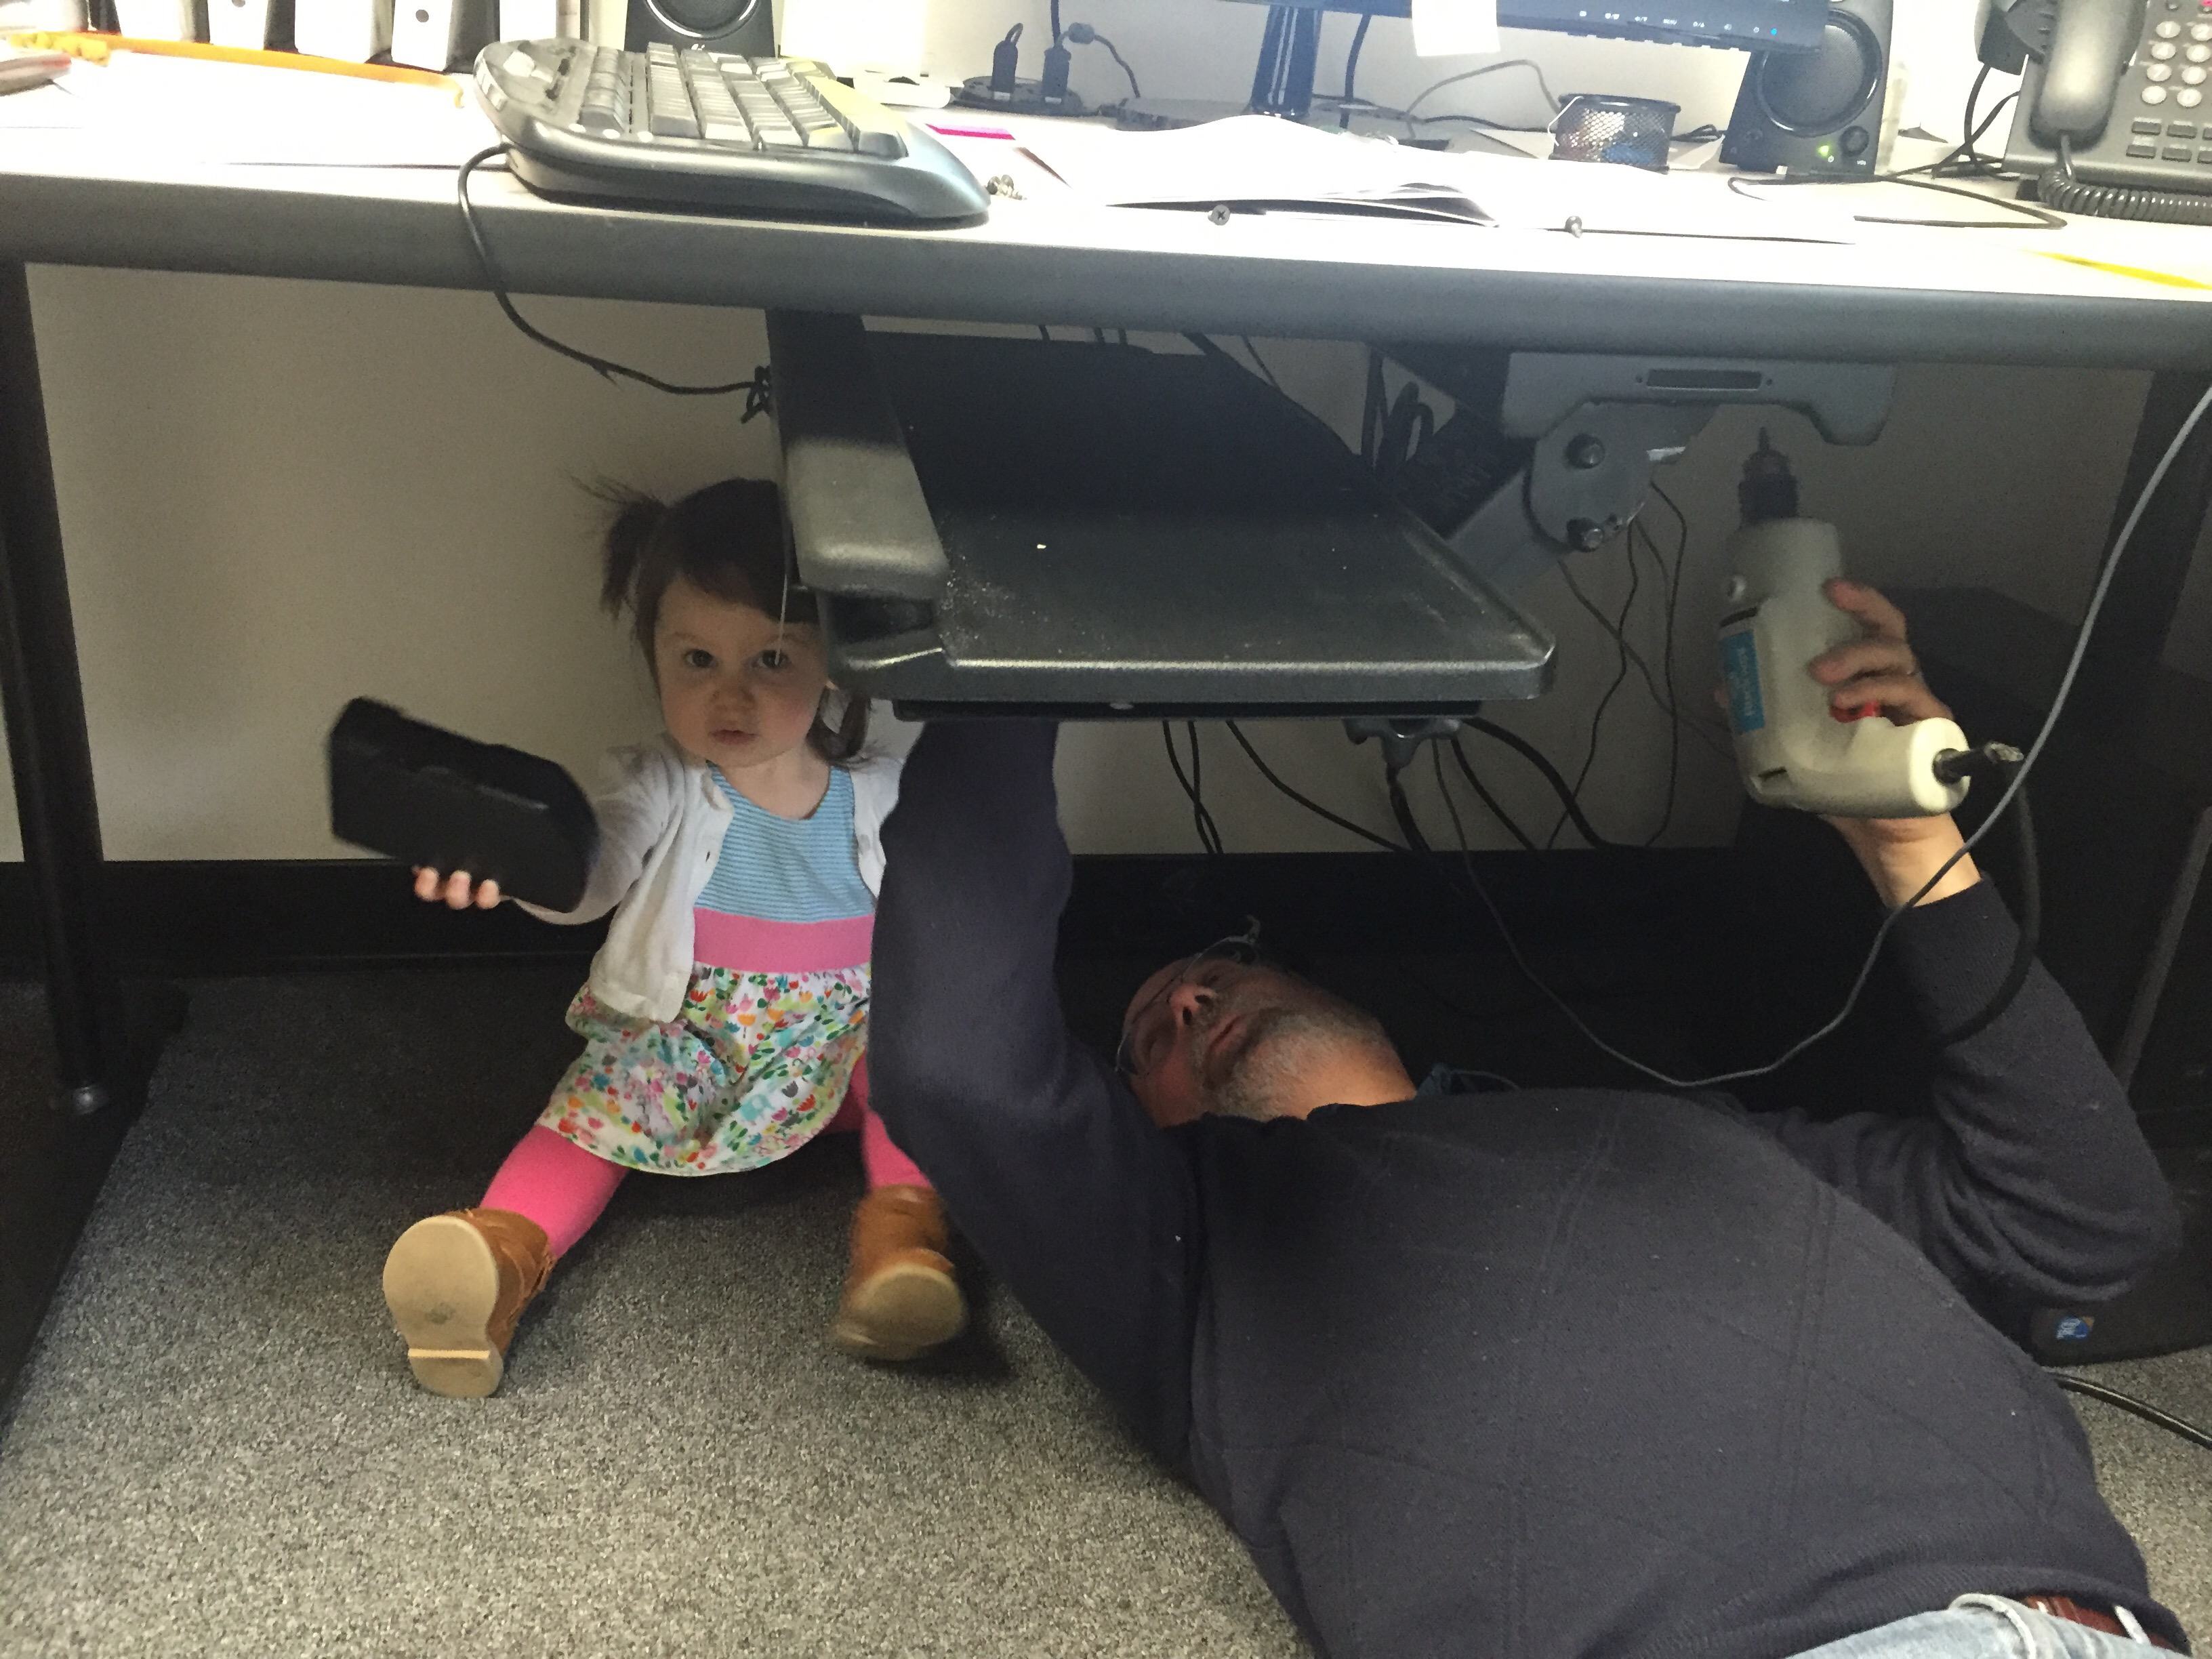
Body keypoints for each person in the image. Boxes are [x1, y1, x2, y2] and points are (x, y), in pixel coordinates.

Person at [866, 580, 2189, 1658]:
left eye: (1215, 971)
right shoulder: (1197, 1259)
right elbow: (959, 1061)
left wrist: (1911, 844)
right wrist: (1026, 644)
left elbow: (2087, 1223)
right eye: (1150, 1034)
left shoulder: (1704, 1137)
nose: (1193, 999)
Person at [380, 477, 964, 1399]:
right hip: (688, 1038)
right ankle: (494, 1259)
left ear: (835, 663)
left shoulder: (877, 786)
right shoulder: (659, 778)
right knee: (590, 1112)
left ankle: (903, 1250)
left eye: (771, 659)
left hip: (833, 1043)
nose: (730, 694)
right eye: (696, 659)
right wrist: (515, 864)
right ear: (653, 652)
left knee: (909, 1079)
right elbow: (597, 873)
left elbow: (932, 910)